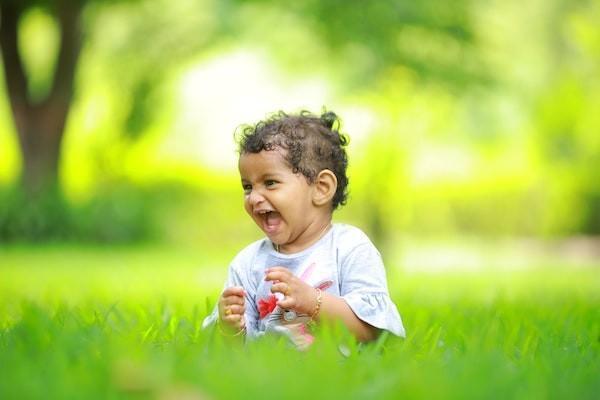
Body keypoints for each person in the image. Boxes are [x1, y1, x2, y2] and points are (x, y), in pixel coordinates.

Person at [202, 110, 405, 349]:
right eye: (247, 186)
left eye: (270, 183)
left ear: (321, 188)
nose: (254, 197)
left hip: (340, 377)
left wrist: (313, 302)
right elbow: (233, 350)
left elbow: (374, 331)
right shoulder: (248, 263)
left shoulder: (350, 248)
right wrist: (230, 329)